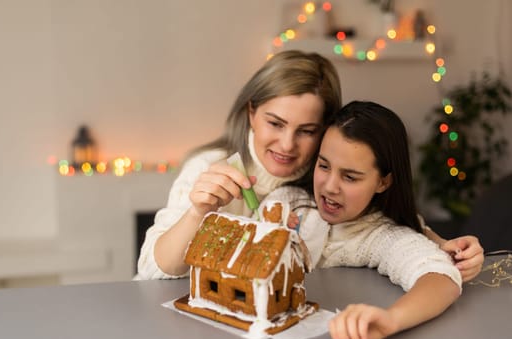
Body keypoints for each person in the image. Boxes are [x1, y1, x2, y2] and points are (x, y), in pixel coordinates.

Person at [136, 50, 483, 281]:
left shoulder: (322, 181)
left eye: (306, 131)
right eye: (275, 123)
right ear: (252, 112)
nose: (287, 145)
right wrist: (197, 213)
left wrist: (438, 243)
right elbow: (153, 272)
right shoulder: (210, 168)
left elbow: (378, 221)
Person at [264, 101, 463, 339]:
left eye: (350, 177)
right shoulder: (285, 201)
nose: (329, 186)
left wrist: (390, 320)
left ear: (383, 182)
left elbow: (441, 279)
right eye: (324, 165)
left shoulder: (380, 236)